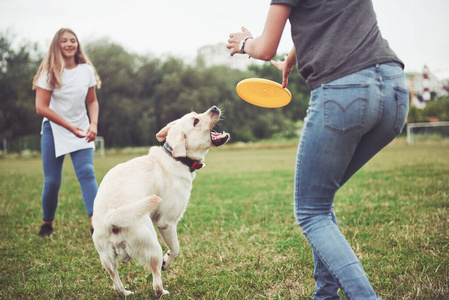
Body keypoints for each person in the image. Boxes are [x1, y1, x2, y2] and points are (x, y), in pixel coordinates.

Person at [227, 1, 409, 299]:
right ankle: (325, 295)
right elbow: (330, 20)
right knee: (321, 199)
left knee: (311, 210)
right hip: (394, 90)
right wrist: (292, 60)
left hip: (344, 90)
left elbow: (265, 49)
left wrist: (245, 43)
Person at [32, 28, 101, 237]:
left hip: (82, 128)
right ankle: (47, 224)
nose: (70, 44)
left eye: (73, 40)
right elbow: (41, 107)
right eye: (64, 41)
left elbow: (92, 101)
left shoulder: (86, 70)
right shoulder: (48, 72)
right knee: (52, 181)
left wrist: (93, 124)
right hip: (54, 129)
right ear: (57, 45)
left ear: (77, 45)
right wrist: (70, 127)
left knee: (87, 172)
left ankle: (96, 224)